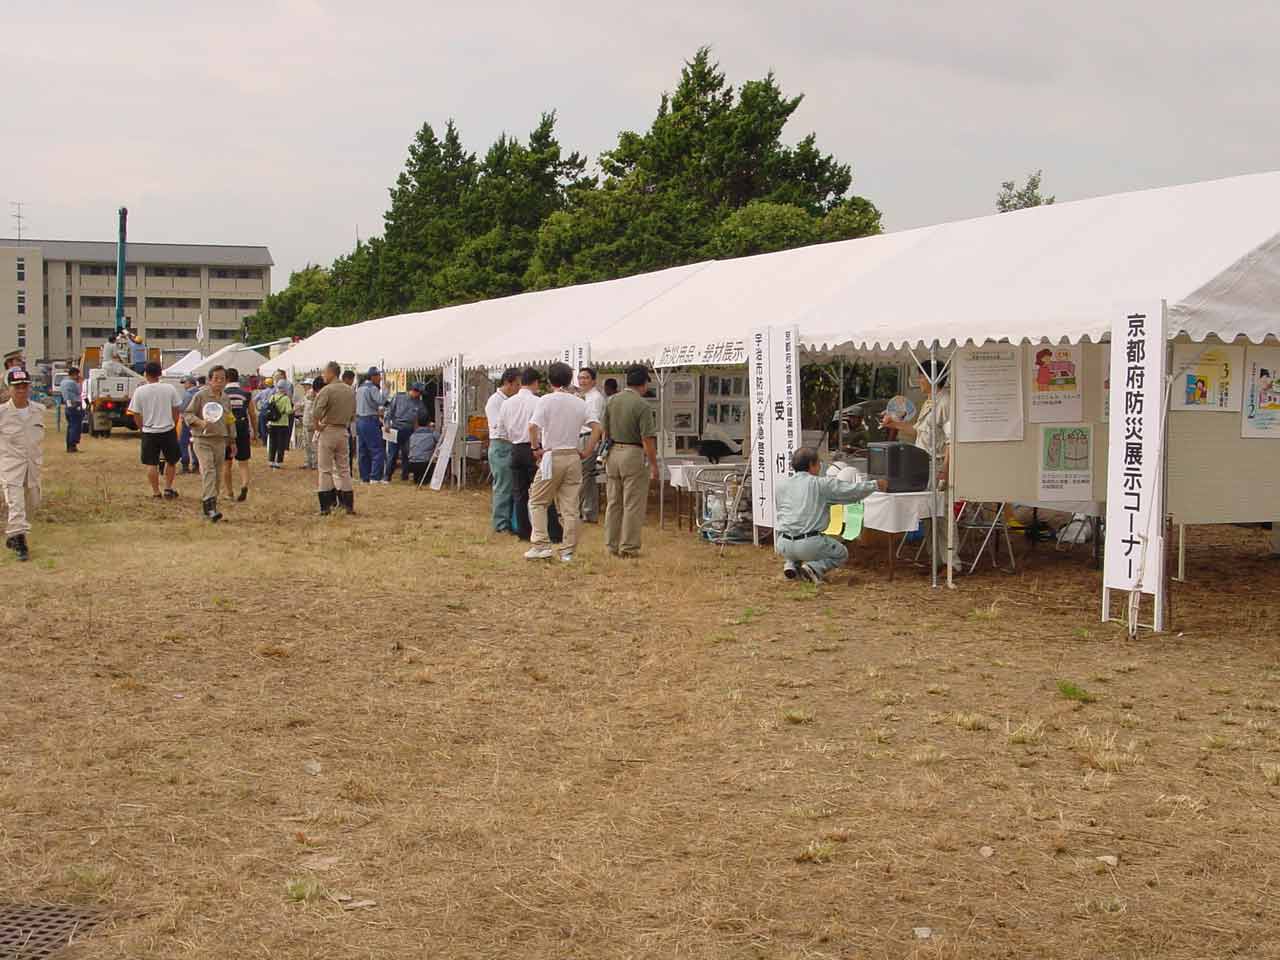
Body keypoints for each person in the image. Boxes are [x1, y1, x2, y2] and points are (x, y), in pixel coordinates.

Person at [525, 362, 601, 562]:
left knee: (537, 500)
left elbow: (532, 427)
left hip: (552, 455)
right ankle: (567, 551)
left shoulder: (546, 400)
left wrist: (535, 448)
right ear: (569, 380)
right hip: (573, 456)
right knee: (570, 507)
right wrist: (587, 451)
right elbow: (597, 428)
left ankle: (541, 545)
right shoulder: (580, 402)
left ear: (550, 380)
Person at [774, 447, 885, 583]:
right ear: (812, 465)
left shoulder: (781, 485)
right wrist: (875, 485)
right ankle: (813, 568)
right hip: (808, 544)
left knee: (795, 532)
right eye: (819, 463)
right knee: (841, 553)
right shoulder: (821, 484)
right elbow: (850, 491)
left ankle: (791, 565)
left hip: (783, 544)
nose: (820, 466)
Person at [602, 365, 659, 558]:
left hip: (612, 452)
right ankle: (628, 547)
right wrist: (654, 464)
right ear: (643, 384)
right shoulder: (642, 405)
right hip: (633, 453)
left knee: (613, 502)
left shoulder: (611, 401)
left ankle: (611, 545)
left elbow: (605, 431)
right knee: (633, 503)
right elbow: (647, 439)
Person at [0, 367, 44, 561]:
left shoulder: (38, 410)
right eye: (17, 386)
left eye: (24, 386)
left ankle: (13, 537)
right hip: (10, 467)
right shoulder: (2, 413)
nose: (21, 390)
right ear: (9, 389)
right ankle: (20, 543)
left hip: (32, 467)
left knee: (32, 503)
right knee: (16, 504)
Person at [184, 365, 236, 522]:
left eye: (222, 379)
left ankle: (212, 503)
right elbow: (188, 414)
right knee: (209, 470)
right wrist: (200, 423)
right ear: (209, 380)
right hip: (202, 439)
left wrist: (232, 440)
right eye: (216, 379)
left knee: (218, 474)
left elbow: (230, 419)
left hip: (220, 440)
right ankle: (209, 506)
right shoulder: (200, 396)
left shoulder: (225, 398)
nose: (219, 382)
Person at [126, 361, 183, 500]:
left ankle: (156, 492)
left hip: (149, 431)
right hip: (168, 429)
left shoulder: (140, 391)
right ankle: (168, 488)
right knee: (171, 461)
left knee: (151, 463)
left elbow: (136, 413)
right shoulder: (169, 388)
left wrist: (142, 428)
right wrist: (173, 423)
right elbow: (176, 409)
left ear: (145, 374)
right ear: (160, 373)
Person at [498, 368, 542, 540]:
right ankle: (549, 530)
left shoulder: (507, 403)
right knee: (541, 491)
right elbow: (542, 427)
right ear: (535, 383)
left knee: (519, 493)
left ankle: (523, 531)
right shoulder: (538, 402)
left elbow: (501, 430)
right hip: (533, 448)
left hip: (515, 448)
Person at [313, 361, 357, 515]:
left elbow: (316, 412)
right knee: (344, 469)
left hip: (328, 429)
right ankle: (348, 505)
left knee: (325, 469)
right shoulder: (350, 391)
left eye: (325, 372)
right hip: (343, 431)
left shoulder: (327, 390)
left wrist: (317, 426)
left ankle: (325, 506)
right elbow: (353, 415)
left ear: (331, 373)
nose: (323, 375)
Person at [484, 368, 520, 532]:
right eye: (517, 385)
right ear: (508, 383)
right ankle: (500, 524)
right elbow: (498, 427)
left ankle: (510, 521)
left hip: (511, 444)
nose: (518, 388)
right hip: (501, 445)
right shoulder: (495, 401)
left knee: (511, 485)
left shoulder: (509, 400)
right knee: (503, 486)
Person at [576, 366, 607, 524]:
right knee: (585, 476)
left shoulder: (595, 398)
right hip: (581, 437)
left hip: (588, 437)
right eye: (580, 378)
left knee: (585, 476)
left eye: (586, 378)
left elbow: (594, 423)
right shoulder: (584, 396)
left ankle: (585, 512)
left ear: (594, 381)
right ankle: (586, 511)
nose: (582, 381)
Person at [222, 368, 256, 500]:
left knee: (226, 463)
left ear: (226, 379)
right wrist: (255, 431)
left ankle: (229, 493)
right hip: (242, 428)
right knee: (243, 462)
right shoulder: (246, 394)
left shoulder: (222, 394)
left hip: (226, 429)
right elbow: (252, 414)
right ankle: (244, 484)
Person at [383, 382, 427, 481]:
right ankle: (387, 476)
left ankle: (405, 476)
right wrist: (387, 423)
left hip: (409, 429)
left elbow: (423, 415)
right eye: (419, 393)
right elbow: (390, 411)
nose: (419, 395)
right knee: (392, 454)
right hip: (395, 428)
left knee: (407, 453)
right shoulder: (398, 397)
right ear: (415, 391)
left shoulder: (419, 403)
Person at [355, 367, 386, 483]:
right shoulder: (372, 388)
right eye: (378, 376)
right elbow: (381, 401)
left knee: (363, 450)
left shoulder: (360, 388)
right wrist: (386, 390)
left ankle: (365, 477)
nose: (380, 378)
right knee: (377, 449)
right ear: (373, 377)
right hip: (370, 420)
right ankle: (375, 477)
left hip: (360, 420)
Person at [266, 381, 294, 470]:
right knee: (281, 443)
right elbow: (289, 411)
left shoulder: (272, 397)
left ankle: (271, 460)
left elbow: (268, 408)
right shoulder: (286, 398)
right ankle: (279, 462)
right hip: (283, 424)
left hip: (272, 423)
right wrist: (295, 408)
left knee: (272, 442)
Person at [407, 415, 439, 485]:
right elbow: (441, 440)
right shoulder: (432, 434)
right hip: (425, 464)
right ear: (428, 423)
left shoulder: (412, 435)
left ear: (417, 423)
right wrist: (433, 429)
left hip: (412, 463)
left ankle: (416, 477)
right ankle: (425, 479)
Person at [60, 366, 85, 453]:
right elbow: (80, 391)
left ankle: (69, 445)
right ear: (74, 374)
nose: (78, 376)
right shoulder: (72, 383)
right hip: (75, 404)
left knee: (70, 426)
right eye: (77, 375)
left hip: (68, 404)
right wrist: (80, 382)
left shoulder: (63, 382)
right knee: (76, 425)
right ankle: (72, 446)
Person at [177, 376, 199, 473]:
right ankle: (196, 465)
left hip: (187, 422)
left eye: (185, 383)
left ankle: (185, 465)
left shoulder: (187, 394)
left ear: (190, 383)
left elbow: (181, 408)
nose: (184, 385)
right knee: (195, 443)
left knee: (183, 443)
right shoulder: (200, 393)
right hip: (197, 422)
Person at [300, 378, 321, 469]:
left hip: (311, 423)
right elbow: (303, 406)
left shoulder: (314, 395)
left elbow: (313, 411)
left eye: (306, 385)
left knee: (312, 444)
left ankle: (314, 463)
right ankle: (308, 462)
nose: (304, 387)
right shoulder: (306, 395)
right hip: (306, 422)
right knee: (306, 444)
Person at [255, 377, 275, 446]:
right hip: (272, 410)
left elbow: (255, 400)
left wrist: (257, 408)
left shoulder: (262, 392)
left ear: (266, 384)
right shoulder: (275, 391)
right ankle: (272, 441)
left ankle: (264, 442)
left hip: (263, 410)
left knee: (263, 426)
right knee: (272, 425)